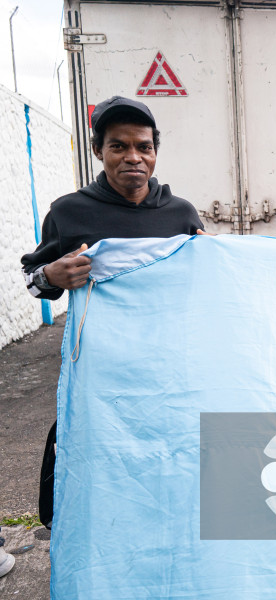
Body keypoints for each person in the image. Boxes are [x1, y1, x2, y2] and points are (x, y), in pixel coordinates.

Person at [20, 96, 205, 528]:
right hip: (101, 373)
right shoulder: (69, 212)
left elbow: (207, 277)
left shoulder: (180, 214)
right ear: (98, 151)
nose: (133, 157)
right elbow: (33, 279)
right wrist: (52, 274)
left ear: (155, 151)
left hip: (170, 369)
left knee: (171, 456)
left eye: (144, 146)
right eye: (118, 146)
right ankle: (88, 529)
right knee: (96, 454)